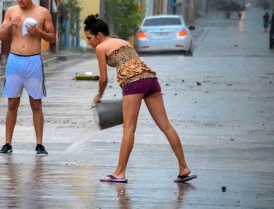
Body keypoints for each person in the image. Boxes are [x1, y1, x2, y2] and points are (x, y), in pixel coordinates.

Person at [83, 14, 196, 184]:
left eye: (89, 38)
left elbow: (103, 79)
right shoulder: (124, 42)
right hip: (150, 79)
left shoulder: (101, 47)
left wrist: (99, 95)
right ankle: (183, 168)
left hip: (133, 83)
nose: (89, 43)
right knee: (166, 126)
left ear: (99, 35)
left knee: (128, 129)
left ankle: (119, 173)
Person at [0, 0, 56, 156]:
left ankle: (39, 144)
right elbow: (1, 36)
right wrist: (9, 24)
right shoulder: (11, 11)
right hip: (14, 60)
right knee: (12, 103)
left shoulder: (42, 13)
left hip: (33, 61)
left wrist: (39, 33)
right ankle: (7, 143)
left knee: (36, 104)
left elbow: (51, 37)